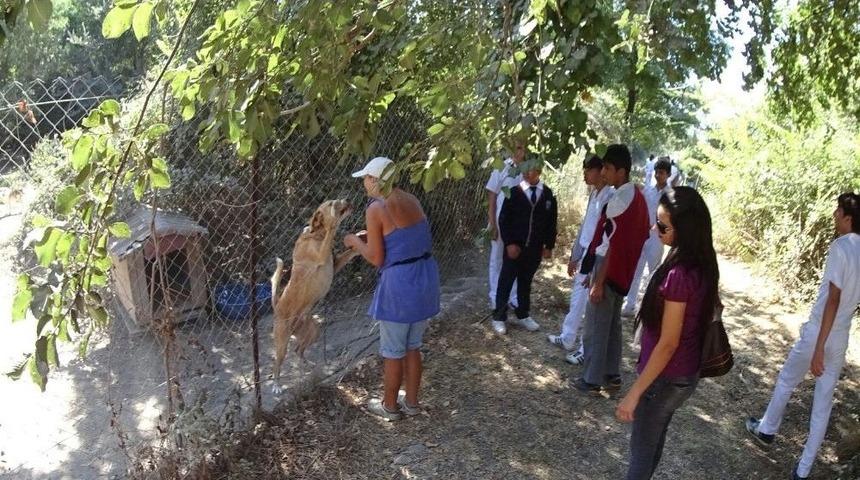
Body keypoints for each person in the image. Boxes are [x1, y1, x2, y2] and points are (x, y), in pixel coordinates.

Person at [745, 193, 860, 480]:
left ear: (848, 217)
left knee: (787, 379)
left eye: (838, 211)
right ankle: (804, 469)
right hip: (842, 334)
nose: (834, 215)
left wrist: (819, 346)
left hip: (820, 331)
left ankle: (767, 429)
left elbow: (833, 298)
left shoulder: (841, 247)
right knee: (822, 403)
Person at [615, 186, 721, 480]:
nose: (654, 228)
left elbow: (668, 343)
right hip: (684, 375)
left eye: (662, 226)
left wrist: (634, 394)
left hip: (666, 377)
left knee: (641, 450)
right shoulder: (703, 264)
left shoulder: (679, 275)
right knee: (653, 441)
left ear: (684, 230)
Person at [344, 156, 441, 421]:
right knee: (413, 346)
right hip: (425, 279)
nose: (364, 183)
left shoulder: (376, 208)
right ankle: (411, 402)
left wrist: (354, 241)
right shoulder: (411, 199)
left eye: (366, 178)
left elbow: (376, 257)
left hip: (401, 285)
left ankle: (389, 407)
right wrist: (369, 236)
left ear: (376, 180)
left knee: (393, 351)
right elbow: (404, 237)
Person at [574, 144, 649, 394]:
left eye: (607, 168)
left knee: (596, 325)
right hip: (622, 272)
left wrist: (598, 280)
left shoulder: (619, 200)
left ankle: (592, 380)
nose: (603, 173)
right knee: (612, 325)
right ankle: (612, 375)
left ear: (621, 171)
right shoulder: (638, 198)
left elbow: (610, 245)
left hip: (610, 270)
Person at [546, 154, 614, 365]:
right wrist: (575, 256)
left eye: (588, 170)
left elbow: (606, 238)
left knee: (591, 307)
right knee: (577, 299)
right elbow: (586, 227)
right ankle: (567, 337)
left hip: (597, 257)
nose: (585, 174)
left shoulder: (609, 198)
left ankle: (586, 349)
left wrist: (594, 265)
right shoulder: (594, 195)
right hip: (586, 253)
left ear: (600, 171)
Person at [491, 160, 558, 335]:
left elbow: (551, 223)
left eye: (531, 170)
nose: (527, 174)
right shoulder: (513, 193)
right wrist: (510, 243)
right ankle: (499, 316)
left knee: (525, 282)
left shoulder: (548, 195)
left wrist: (549, 245)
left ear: (539, 171)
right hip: (515, 248)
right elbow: (504, 220)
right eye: (525, 170)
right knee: (506, 280)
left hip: (534, 248)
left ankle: (523, 314)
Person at [622, 158, 671, 317]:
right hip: (642, 235)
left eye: (662, 172)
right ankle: (630, 304)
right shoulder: (648, 190)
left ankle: (649, 308)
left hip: (657, 237)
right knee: (636, 270)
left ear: (668, 174)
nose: (658, 175)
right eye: (657, 172)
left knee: (654, 272)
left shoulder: (670, 195)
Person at [485, 140, 527, 310]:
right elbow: (492, 196)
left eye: (523, 147)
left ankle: (514, 297)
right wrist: (493, 223)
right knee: (496, 258)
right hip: (500, 222)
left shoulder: (527, 171)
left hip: (518, 225)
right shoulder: (502, 167)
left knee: (516, 257)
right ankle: (495, 297)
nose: (520, 151)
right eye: (517, 147)